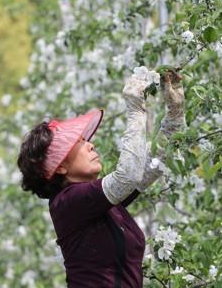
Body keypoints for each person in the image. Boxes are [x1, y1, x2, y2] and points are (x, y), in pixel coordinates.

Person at [16, 70, 186, 287]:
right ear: (60, 168)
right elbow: (128, 176)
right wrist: (135, 111)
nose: (90, 144)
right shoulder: (68, 202)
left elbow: (154, 165)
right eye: (79, 143)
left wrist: (175, 113)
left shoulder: (100, 203)